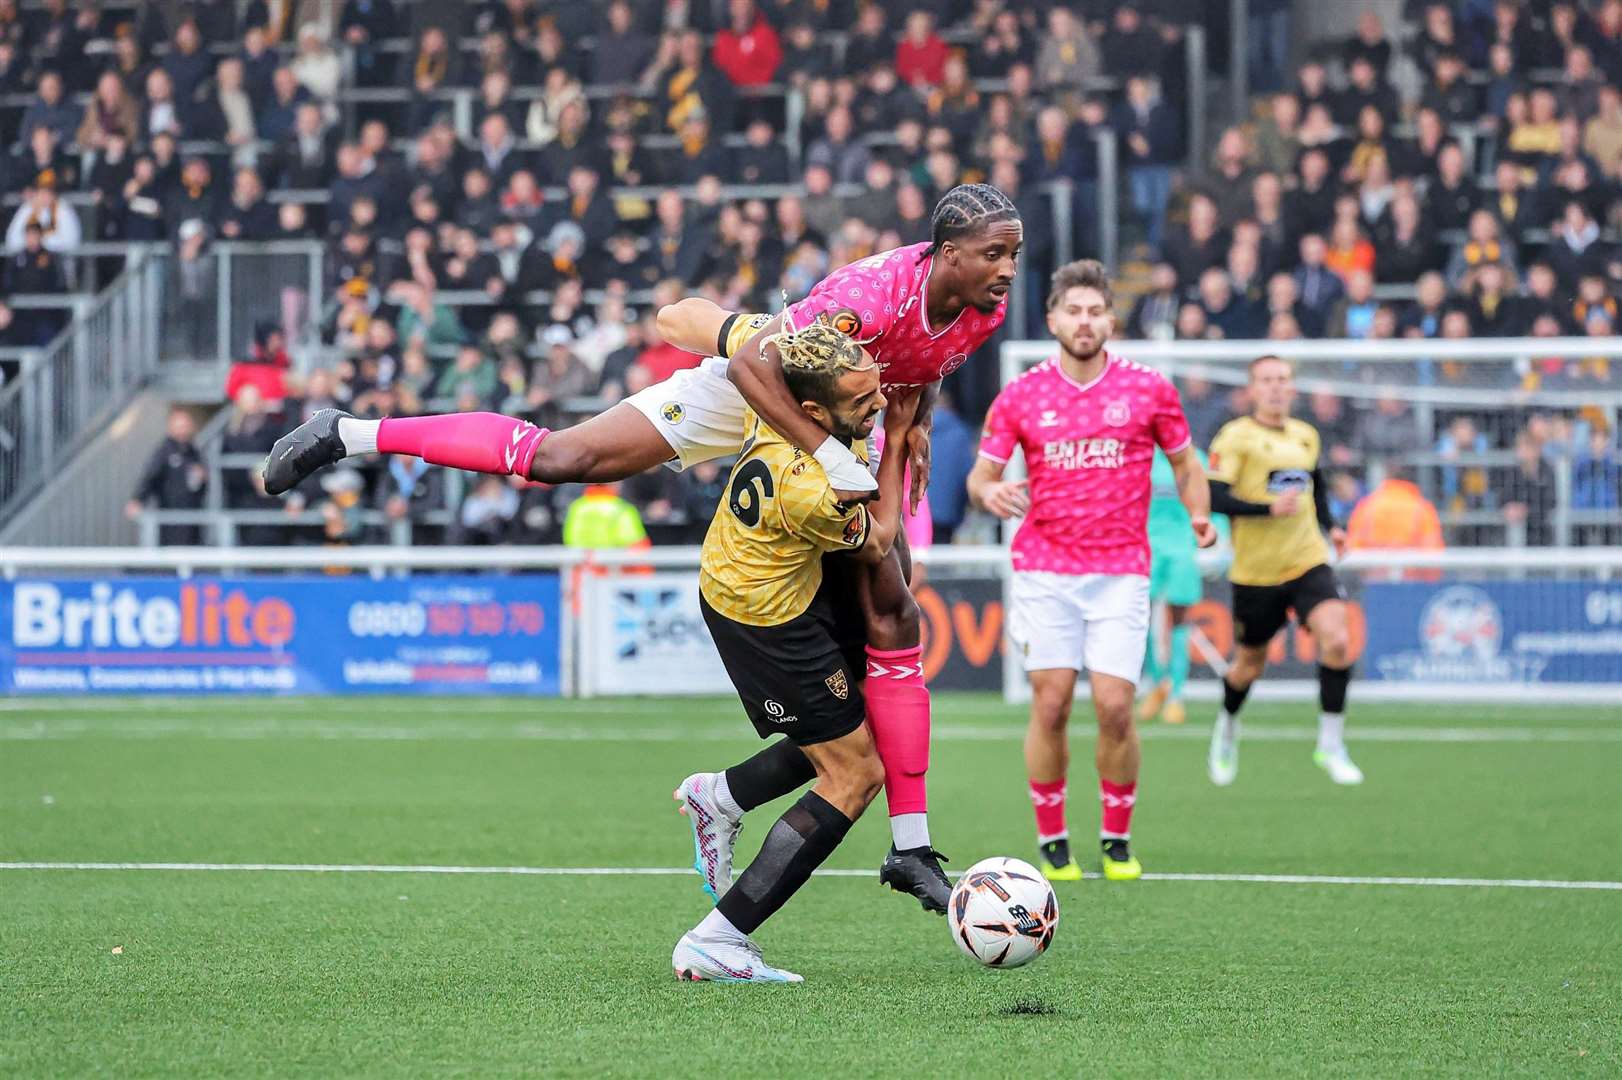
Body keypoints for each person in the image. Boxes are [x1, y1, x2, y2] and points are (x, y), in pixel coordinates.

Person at [264, 184, 1023, 912]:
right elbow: (759, 363)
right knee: (563, 459)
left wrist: (909, 425)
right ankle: (349, 433)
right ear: (946, 252)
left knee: (889, 614)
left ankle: (878, 836)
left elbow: (918, 376)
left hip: (837, 416)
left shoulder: (982, 311)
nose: (1008, 270)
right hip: (764, 391)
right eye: (996, 254)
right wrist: (826, 454)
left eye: (1014, 254)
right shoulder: (870, 295)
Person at [671, 323, 921, 983]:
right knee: (855, 774)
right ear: (812, 414)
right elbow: (881, 540)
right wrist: (898, 438)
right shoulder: (814, 488)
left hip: (776, 582)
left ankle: (721, 796)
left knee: (848, 735)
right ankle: (716, 939)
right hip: (762, 619)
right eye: (862, 402)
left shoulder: (782, 395)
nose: (876, 406)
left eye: (878, 390)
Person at [966, 260, 1216, 884]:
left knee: (1115, 708)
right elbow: (980, 476)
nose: (1084, 321)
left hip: (1121, 570)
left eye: (1094, 311)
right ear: (1052, 320)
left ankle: (1116, 838)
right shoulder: (1022, 395)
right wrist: (989, 494)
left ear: (1110, 319)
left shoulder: (1149, 389)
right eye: (1072, 311)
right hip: (1045, 569)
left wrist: (1200, 516)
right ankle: (1053, 842)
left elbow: (1186, 464)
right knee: (1050, 705)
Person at [1205, 356, 1362, 789]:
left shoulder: (1305, 436)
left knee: (1338, 638)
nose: (1276, 388)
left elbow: (1317, 484)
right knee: (1247, 667)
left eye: (1283, 380)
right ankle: (1228, 725)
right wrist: (1266, 509)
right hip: (1256, 573)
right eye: (1267, 381)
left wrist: (1333, 528)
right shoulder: (1236, 438)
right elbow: (1213, 496)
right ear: (1252, 389)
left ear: (1293, 389)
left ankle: (1331, 744)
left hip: (1307, 559)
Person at [1137, 446, 1227, 726]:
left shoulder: (1194, 459)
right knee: (1140, 619)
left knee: (1179, 620)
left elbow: (1213, 504)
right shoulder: (1140, 456)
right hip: (1146, 547)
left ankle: (1175, 694)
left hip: (1181, 549)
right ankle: (1156, 684)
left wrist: (1219, 540)